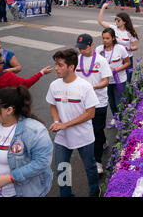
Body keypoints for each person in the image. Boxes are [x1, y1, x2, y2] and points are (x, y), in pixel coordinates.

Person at [46, 49, 101, 197]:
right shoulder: (54, 85)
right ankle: (67, 194)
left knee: (90, 167)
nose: (56, 68)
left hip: (84, 136)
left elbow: (90, 114)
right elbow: (53, 106)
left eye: (60, 65)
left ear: (71, 67)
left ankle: (95, 191)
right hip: (62, 137)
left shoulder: (84, 86)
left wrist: (65, 124)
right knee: (62, 168)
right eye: (56, 65)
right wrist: (57, 121)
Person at [0, 86, 53, 197]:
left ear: (9, 110)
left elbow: (42, 162)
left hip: (22, 192)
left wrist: (10, 178)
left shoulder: (34, 130)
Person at [75, 34, 112, 175]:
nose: (81, 51)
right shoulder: (77, 60)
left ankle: (97, 161)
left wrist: (93, 88)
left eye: (84, 48)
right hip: (81, 103)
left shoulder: (101, 61)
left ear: (91, 45)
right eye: (79, 48)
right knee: (90, 130)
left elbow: (106, 81)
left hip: (98, 102)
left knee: (96, 130)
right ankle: (102, 142)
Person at [95, 28, 130, 124]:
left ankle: (123, 122)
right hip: (105, 81)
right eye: (103, 38)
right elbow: (95, 64)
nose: (105, 40)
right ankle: (116, 117)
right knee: (111, 102)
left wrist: (116, 70)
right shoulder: (99, 50)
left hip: (119, 80)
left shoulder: (120, 48)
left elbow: (127, 62)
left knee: (119, 101)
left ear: (113, 38)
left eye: (107, 38)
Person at [98, 6, 138, 83]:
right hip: (116, 58)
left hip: (127, 58)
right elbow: (101, 21)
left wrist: (130, 48)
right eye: (115, 20)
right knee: (114, 80)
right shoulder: (113, 29)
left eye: (118, 20)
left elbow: (135, 46)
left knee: (127, 80)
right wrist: (103, 7)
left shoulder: (130, 33)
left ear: (124, 22)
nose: (116, 22)